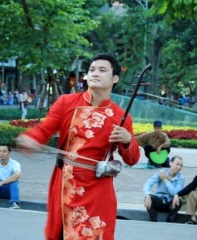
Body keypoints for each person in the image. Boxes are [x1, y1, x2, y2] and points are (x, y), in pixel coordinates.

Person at [15, 53, 140, 240]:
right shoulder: (67, 102)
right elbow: (44, 129)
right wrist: (30, 139)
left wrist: (127, 140)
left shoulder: (121, 116)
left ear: (115, 78)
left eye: (102, 70)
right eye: (92, 70)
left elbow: (132, 158)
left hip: (99, 187)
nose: (95, 73)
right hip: (66, 183)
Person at [143, 156, 185, 222]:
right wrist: (147, 194)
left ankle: (170, 220)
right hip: (159, 200)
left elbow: (175, 193)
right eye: (177, 164)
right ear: (170, 163)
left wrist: (165, 180)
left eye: (181, 165)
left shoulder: (181, 178)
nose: (179, 167)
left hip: (170, 203)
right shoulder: (162, 172)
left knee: (179, 201)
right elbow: (148, 184)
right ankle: (153, 219)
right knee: (148, 197)